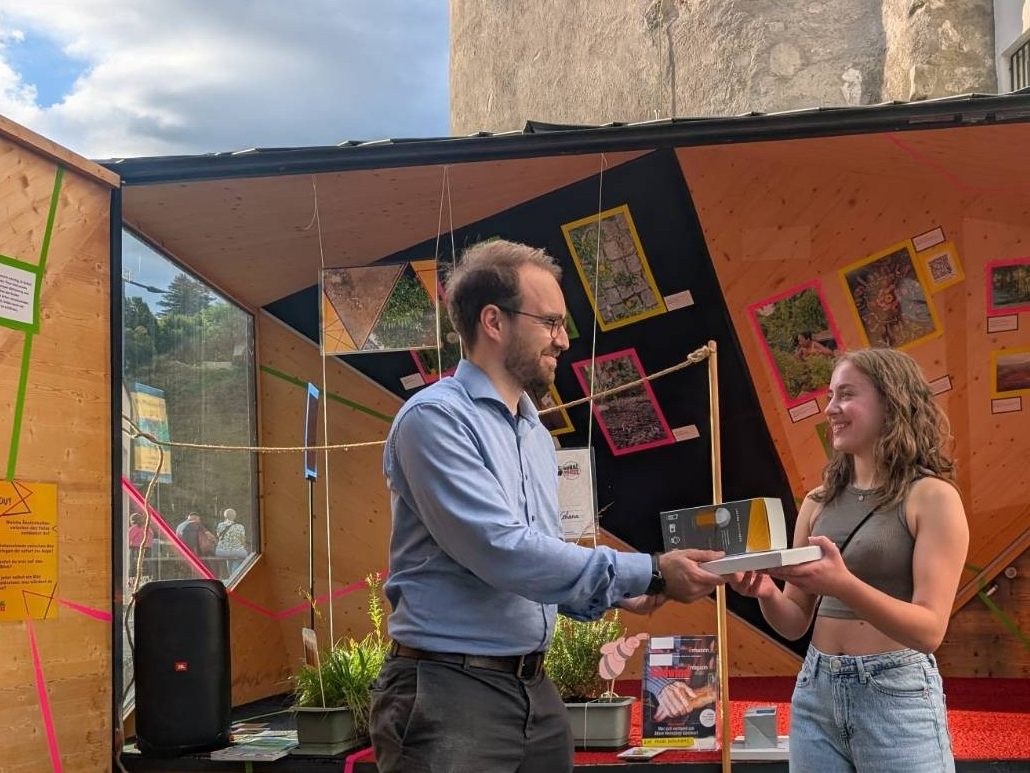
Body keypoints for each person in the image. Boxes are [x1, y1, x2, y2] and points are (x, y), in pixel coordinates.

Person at [369, 239, 728, 773]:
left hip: (533, 692)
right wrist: (649, 572)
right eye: (551, 322)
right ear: (493, 321)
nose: (562, 340)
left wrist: (620, 595)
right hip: (448, 695)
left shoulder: (533, 429)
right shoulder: (435, 420)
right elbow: (501, 550)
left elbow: (535, 555)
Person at [731, 348, 968, 772]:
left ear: (891, 402)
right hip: (815, 691)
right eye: (829, 397)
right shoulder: (817, 502)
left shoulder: (932, 497)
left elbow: (930, 630)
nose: (831, 409)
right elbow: (793, 621)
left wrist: (842, 584)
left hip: (896, 694)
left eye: (845, 395)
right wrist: (764, 591)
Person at [215, 507, 248, 574]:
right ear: (235, 516)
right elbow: (243, 541)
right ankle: (234, 574)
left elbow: (219, 537)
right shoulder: (240, 526)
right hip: (237, 552)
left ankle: (231, 575)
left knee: (229, 556)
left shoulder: (220, 525)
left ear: (225, 516)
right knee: (240, 555)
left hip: (222, 551)